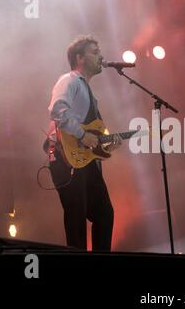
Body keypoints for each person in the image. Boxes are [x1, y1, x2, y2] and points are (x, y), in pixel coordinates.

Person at [46, 35, 122, 251]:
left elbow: (96, 134)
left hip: (85, 160)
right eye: (95, 52)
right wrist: (81, 134)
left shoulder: (89, 93)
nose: (101, 56)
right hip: (65, 158)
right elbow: (57, 109)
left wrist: (107, 143)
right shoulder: (69, 80)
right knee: (76, 217)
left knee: (104, 213)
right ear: (80, 58)